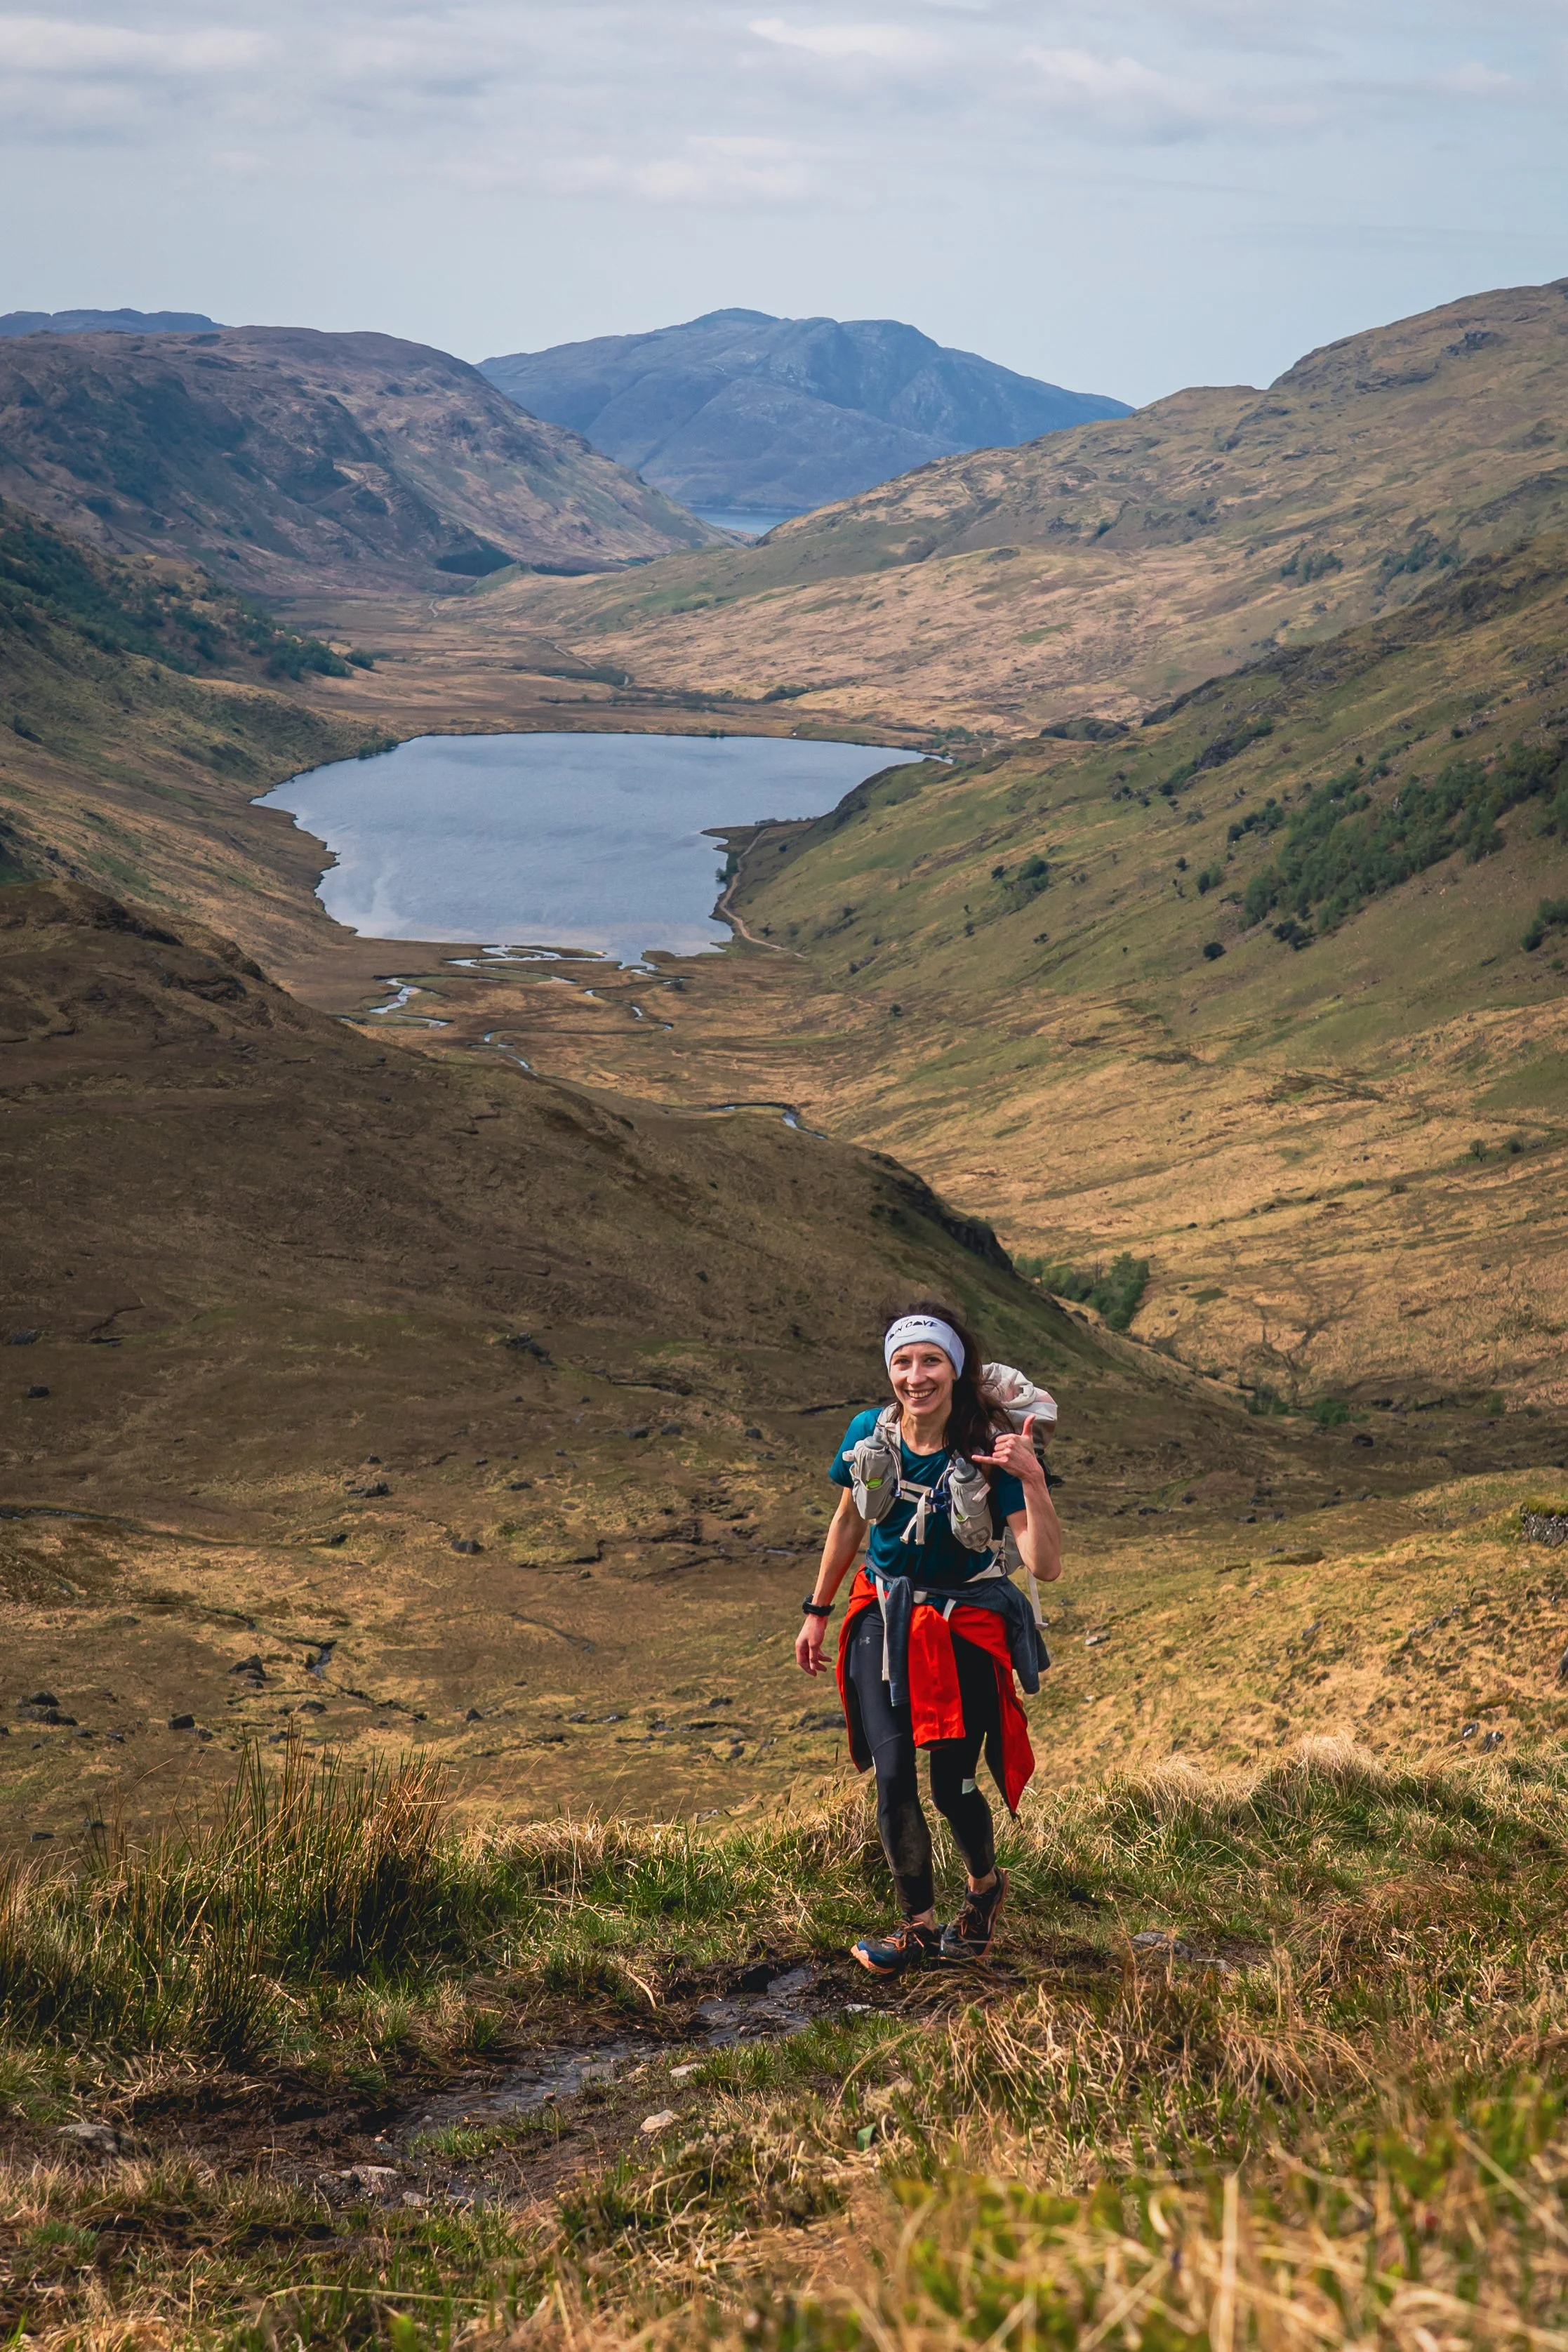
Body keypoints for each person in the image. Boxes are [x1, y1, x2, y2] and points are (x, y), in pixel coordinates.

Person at [796, 1301, 1062, 1974]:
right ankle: (917, 1927)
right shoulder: (870, 1432)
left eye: (931, 1361)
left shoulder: (988, 1445)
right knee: (893, 1779)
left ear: (957, 1367)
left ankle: (983, 1887)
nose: (917, 1376)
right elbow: (850, 1524)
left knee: (951, 1785)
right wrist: (818, 1607)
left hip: (963, 1625)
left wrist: (1030, 1476)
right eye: (903, 1362)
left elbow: (1045, 1563)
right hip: (881, 1614)